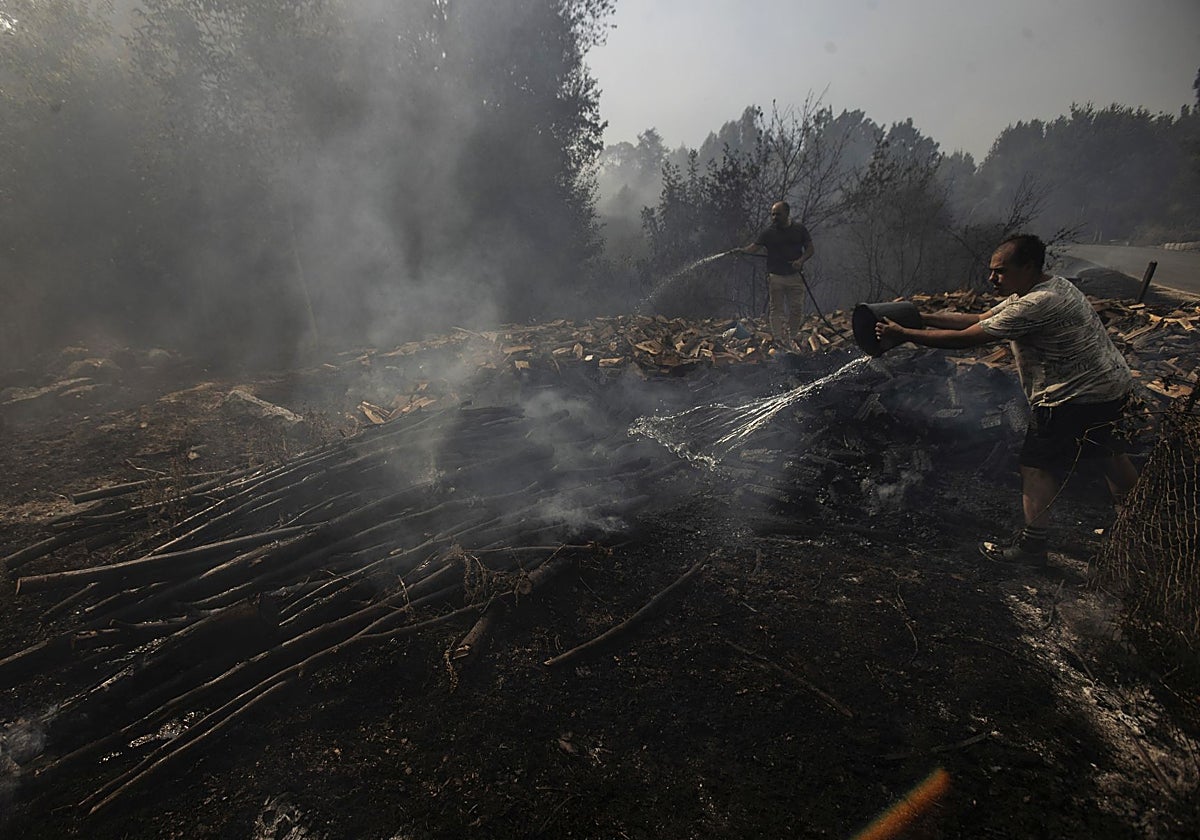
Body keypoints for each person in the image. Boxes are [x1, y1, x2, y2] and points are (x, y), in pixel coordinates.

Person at [874, 233, 1139, 566]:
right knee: (1107, 454)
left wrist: (904, 335)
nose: (991, 278)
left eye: (1000, 270)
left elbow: (966, 340)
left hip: (1072, 395)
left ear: (1027, 267)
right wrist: (920, 318)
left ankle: (1032, 548)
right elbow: (977, 319)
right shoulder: (1044, 288)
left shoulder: (1037, 303)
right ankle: (1138, 529)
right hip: (1110, 386)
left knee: (1035, 466)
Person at [736, 201, 815, 349]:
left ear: (787, 213)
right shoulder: (768, 233)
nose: (774, 217)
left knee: (796, 308)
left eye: (777, 214)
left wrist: (800, 260)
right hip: (775, 277)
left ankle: (792, 337)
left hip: (795, 276)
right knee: (776, 309)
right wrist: (740, 251)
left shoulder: (799, 229)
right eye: (772, 214)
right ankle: (778, 339)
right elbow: (754, 248)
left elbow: (810, 249)